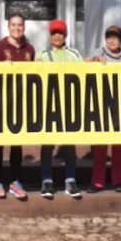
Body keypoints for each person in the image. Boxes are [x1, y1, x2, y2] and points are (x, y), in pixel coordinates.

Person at [0, 13, 35, 200]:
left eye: (20, 25)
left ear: (24, 27)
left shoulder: (29, 49)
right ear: (8, 27)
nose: (17, 28)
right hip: (1, 101)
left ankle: (16, 182)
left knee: (16, 143)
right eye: (13, 25)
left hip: (20, 102)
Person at [36, 19, 82, 199]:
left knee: (69, 143)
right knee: (47, 143)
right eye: (54, 33)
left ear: (65, 35)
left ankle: (70, 180)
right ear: (50, 35)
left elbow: (86, 73)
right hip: (48, 105)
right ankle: (47, 180)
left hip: (69, 105)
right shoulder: (42, 54)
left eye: (60, 33)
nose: (57, 36)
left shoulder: (74, 54)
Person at [86, 25, 121, 193]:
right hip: (102, 104)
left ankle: (118, 181)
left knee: (119, 146)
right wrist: (94, 60)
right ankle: (97, 182)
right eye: (109, 37)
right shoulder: (99, 51)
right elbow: (87, 63)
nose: (112, 40)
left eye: (115, 37)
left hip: (120, 105)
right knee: (100, 147)